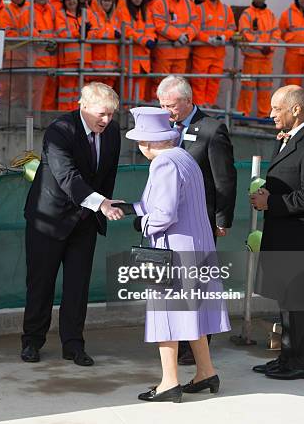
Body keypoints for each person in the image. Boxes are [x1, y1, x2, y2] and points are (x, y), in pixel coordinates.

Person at [126, 107, 230, 403]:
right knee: (191, 312)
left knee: (167, 315)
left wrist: (140, 221)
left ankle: (169, 382)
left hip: (174, 251)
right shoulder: (183, 156)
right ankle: (206, 372)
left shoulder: (162, 164)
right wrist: (132, 207)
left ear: (147, 142)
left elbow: (163, 214)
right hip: (198, 247)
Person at [21, 82, 124, 366]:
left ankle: (74, 344)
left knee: (78, 286)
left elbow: (107, 174)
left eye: (111, 114)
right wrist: (100, 203)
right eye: (102, 114)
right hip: (49, 219)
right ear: (84, 106)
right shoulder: (60, 130)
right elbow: (67, 176)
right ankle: (32, 341)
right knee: (41, 283)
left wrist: (102, 207)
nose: (107, 120)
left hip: (85, 220)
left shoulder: (112, 132)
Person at [250, 85, 304, 380]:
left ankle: (302, 363)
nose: (270, 115)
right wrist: (266, 194)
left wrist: (271, 201)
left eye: (276, 109)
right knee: (286, 303)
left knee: (298, 306)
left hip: (300, 239)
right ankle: (287, 358)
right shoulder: (285, 140)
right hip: (284, 235)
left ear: (296, 110)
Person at [156, 75, 236, 365]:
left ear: (188, 100)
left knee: (199, 285)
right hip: (173, 222)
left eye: (171, 105)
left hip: (201, 222)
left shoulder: (212, 130)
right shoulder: (162, 127)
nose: (166, 111)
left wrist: (222, 220)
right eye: (162, 105)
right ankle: (178, 336)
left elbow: (224, 180)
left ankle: (199, 345)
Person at [237, 0, 280, 118]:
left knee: (265, 90)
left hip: (266, 60)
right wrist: (263, 46)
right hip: (250, 60)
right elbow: (245, 33)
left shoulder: (270, 14)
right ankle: (243, 115)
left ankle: (264, 115)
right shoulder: (247, 14)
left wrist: (270, 47)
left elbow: (276, 33)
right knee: (246, 89)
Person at [190, 0, 235, 108]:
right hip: (202, 53)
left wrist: (224, 37)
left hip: (218, 54)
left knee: (214, 82)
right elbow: (195, 29)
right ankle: (198, 108)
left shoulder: (226, 9)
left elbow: (232, 27)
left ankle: (209, 108)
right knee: (199, 82)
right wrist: (208, 39)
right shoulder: (199, 8)